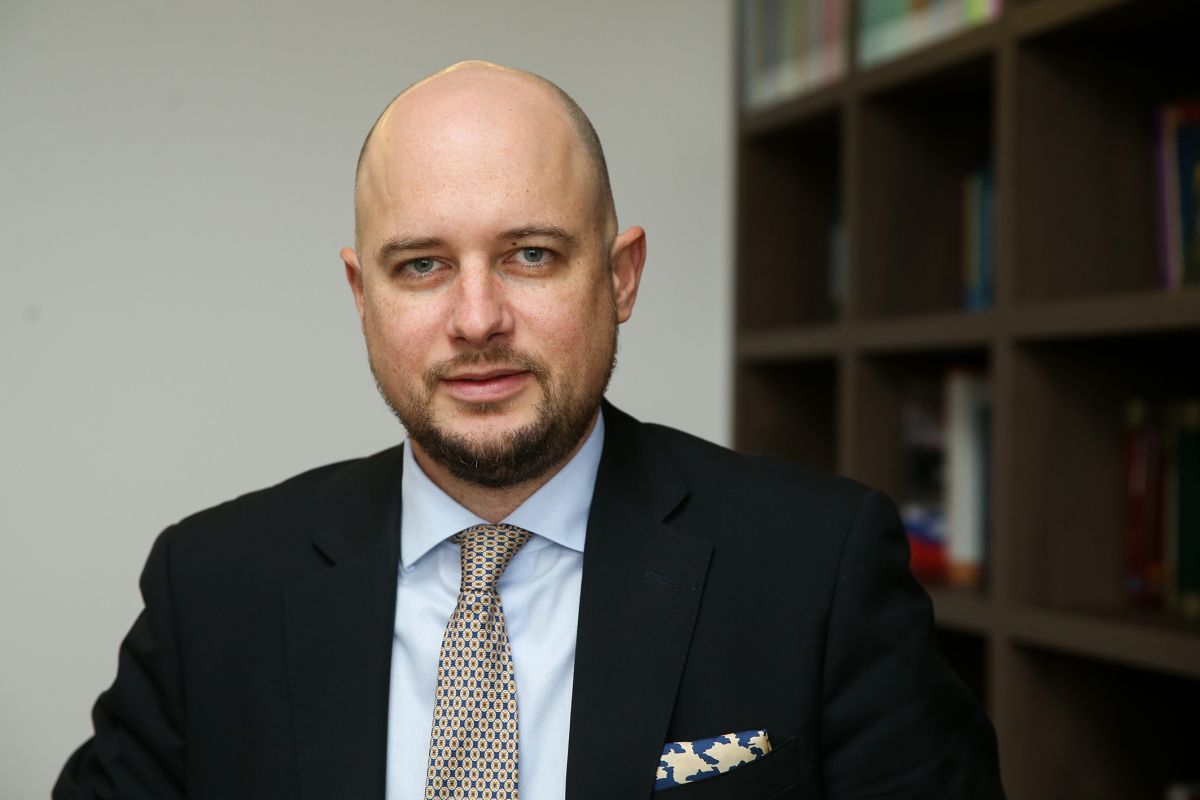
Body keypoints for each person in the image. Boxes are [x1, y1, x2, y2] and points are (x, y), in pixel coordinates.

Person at [54, 61, 1004, 799]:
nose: (477, 320)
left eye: (532, 255)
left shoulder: (818, 568)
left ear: (620, 277)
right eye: (421, 266)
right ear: (362, 294)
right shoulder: (211, 589)